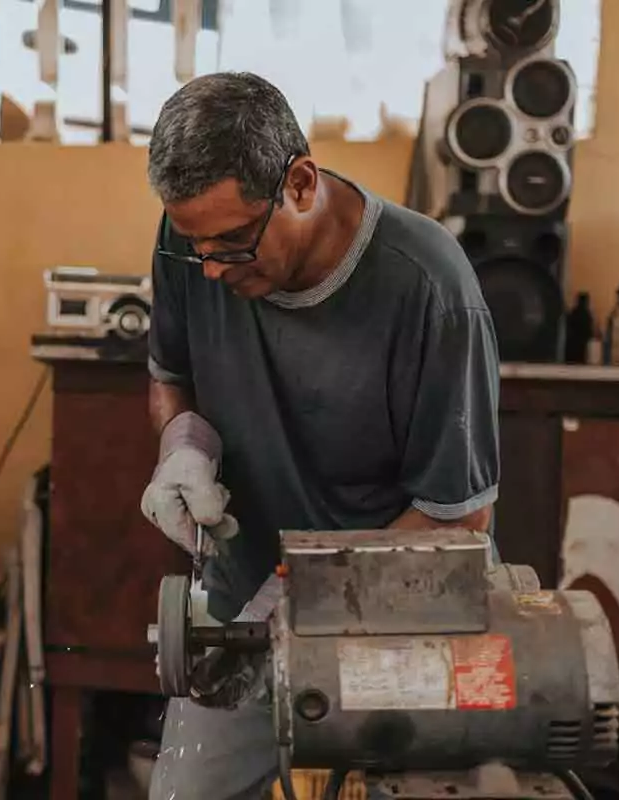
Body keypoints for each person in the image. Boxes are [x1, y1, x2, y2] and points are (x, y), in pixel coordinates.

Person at [140, 71, 500, 800]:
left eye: (233, 242)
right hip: (248, 607)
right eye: (195, 245)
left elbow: (458, 518)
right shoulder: (195, 241)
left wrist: (304, 603)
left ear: (300, 184)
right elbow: (170, 375)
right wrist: (182, 447)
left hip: (402, 609)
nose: (210, 268)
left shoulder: (429, 288)